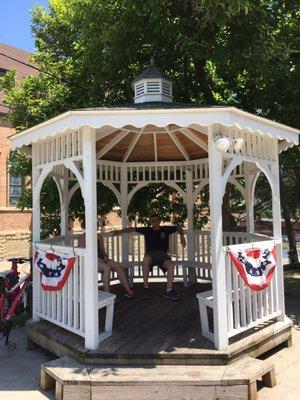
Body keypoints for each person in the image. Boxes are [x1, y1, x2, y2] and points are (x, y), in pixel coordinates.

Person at [113, 213, 186, 301]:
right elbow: (131, 229)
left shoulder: (166, 229)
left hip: (162, 255)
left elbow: (178, 227)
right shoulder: (147, 230)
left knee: (171, 265)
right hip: (150, 255)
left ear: (159, 221)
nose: (154, 222)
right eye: (152, 221)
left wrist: (182, 236)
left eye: (155, 220)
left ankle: (169, 291)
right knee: (146, 260)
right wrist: (119, 231)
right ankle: (146, 289)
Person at [78, 227, 134, 299]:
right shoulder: (82, 238)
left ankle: (127, 289)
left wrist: (105, 256)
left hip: (101, 258)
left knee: (117, 266)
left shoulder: (98, 236)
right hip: (90, 261)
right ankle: (108, 294)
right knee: (106, 268)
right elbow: (84, 254)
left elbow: (102, 250)